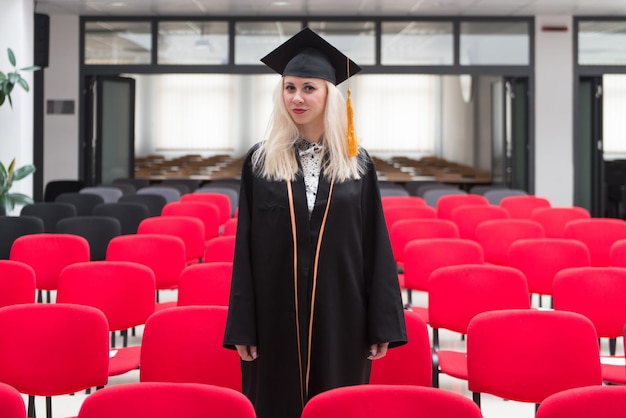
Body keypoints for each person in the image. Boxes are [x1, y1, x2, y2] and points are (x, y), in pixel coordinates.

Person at [223, 27, 407, 418]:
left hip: (342, 312)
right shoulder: (260, 162)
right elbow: (245, 247)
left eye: (309, 88)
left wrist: (381, 324)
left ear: (329, 95)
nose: (297, 98)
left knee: (337, 405)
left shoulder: (357, 164)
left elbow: (375, 244)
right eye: (289, 88)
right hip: (275, 314)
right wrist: (243, 325)